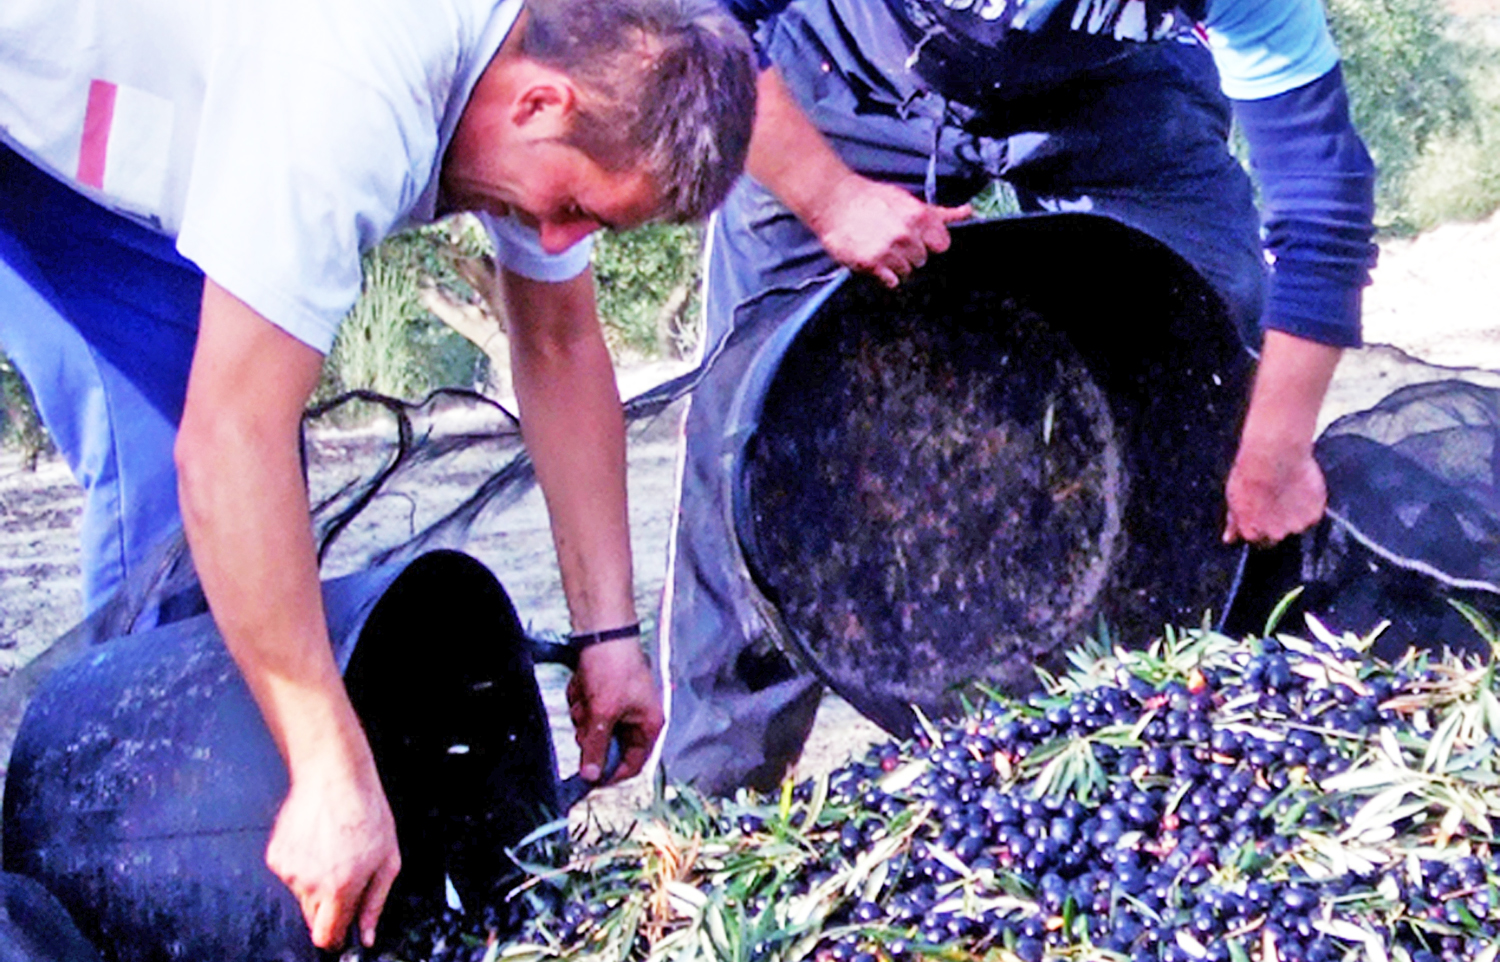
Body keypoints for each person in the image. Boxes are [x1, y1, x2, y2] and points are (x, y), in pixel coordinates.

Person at [0, 0, 754, 949]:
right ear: (538, 106)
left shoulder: (548, 59)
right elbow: (230, 443)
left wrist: (610, 635)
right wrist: (326, 766)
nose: (558, 242)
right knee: (219, 461)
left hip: (101, 95)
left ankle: (147, 867)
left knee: (184, 510)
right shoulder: (349, 90)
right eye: (571, 210)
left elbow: (560, 343)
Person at [657, 0, 1377, 796]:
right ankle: (710, 808)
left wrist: (1273, 443)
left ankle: (1218, 750)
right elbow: (692, 16)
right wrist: (830, 198)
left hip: (1111, 88)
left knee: (1216, 344)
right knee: (750, 416)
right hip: (843, 68)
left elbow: (1322, 201)